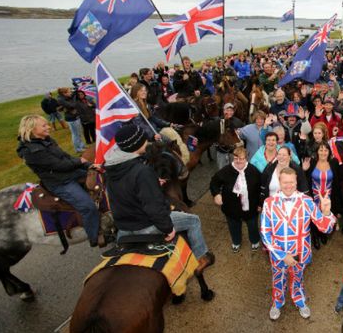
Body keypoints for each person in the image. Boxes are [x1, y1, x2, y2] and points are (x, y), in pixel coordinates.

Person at [104, 124, 215, 277]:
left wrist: (151, 182)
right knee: (193, 220)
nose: (147, 141)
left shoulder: (111, 169)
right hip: (145, 225)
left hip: (123, 228)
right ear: (137, 144)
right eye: (144, 139)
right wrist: (168, 228)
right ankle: (201, 257)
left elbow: (127, 189)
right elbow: (153, 208)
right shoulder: (142, 172)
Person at [260, 167, 336, 320]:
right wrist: (282, 255)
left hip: (300, 253)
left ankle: (299, 300)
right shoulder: (269, 203)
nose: (288, 185)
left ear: (297, 182)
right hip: (278, 254)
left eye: (292, 182)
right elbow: (265, 232)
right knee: (278, 279)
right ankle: (277, 302)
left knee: (297, 279)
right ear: (279, 183)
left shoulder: (306, 201)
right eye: (285, 182)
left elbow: (325, 228)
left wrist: (326, 212)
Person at [16, 115, 101, 246]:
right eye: (44, 126)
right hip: (60, 182)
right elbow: (59, 165)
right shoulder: (31, 151)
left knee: (101, 179)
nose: (48, 127)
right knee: (87, 207)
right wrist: (80, 161)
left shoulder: (46, 140)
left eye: (47, 124)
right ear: (32, 129)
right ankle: (95, 237)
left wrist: (88, 165)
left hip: (70, 173)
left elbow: (65, 157)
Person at [209, 147, 261, 253]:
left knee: (252, 225)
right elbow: (214, 182)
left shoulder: (253, 170)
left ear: (246, 158)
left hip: (251, 206)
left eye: (241, 158)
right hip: (231, 207)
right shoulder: (226, 171)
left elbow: (260, 188)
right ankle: (236, 241)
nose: (238, 161)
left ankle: (255, 241)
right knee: (234, 226)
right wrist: (216, 194)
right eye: (236, 158)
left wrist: (260, 203)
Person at [303, 142, 343, 249]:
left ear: (329, 152)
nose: (323, 152)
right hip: (314, 196)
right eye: (321, 150)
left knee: (325, 215)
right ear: (317, 152)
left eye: (326, 150)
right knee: (314, 216)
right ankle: (315, 235)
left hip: (329, 196)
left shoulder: (334, 162)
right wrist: (304, 170)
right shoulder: (311, 162)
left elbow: (338, 181)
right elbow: (304, 179)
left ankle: (323, 233)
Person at [57, 87, 86, 153]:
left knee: (79, 133)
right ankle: (78, 149)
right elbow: (72, 105)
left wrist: (75, 92)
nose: (71, 93)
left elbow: (72, 98)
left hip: (75, 116)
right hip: (71, 119)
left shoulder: (66, 97)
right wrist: (74, 98)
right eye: (69, 92)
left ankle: (81, 145)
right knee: (75, 134)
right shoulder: (61, 100)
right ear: (64, 93)